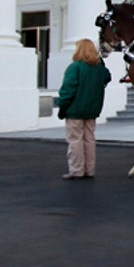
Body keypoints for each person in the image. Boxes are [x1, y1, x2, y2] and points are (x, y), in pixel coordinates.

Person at [56, 38, 112, 180]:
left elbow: (67, 91)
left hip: (75, 110)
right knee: (89, 139)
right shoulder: (99, 69)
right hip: (92, 110)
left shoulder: (75, 67)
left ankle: (77, 170)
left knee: (75, 141)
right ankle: (89, 170)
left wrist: (62, 107)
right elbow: (107, 77)